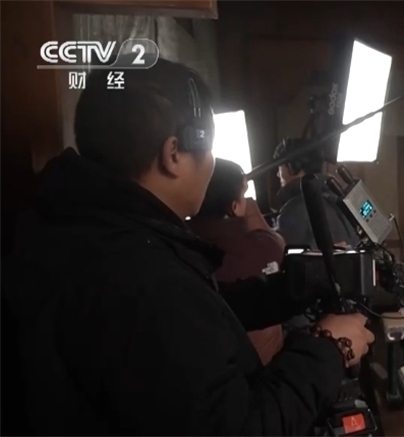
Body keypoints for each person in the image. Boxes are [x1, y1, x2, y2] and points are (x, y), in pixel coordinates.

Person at [1, 60, 374, 435]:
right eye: (209, 148)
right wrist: (330, 347)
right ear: (174, 153)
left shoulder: (83, 227)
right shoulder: (140, 275)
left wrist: (286, 291)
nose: (211, 164)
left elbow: (195, 323)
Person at [187, 158, 286, 366]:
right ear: (234, 207)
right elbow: (278, 245)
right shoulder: (261, 246)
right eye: (244, 193)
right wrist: (251, 209)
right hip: (263, 369)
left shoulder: (179, 244)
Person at [273, 140, 360, 249]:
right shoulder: (335, 198)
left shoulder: (294, 209)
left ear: (293, 167)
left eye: (280, 167)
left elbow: (278, 252)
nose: (278, 174)